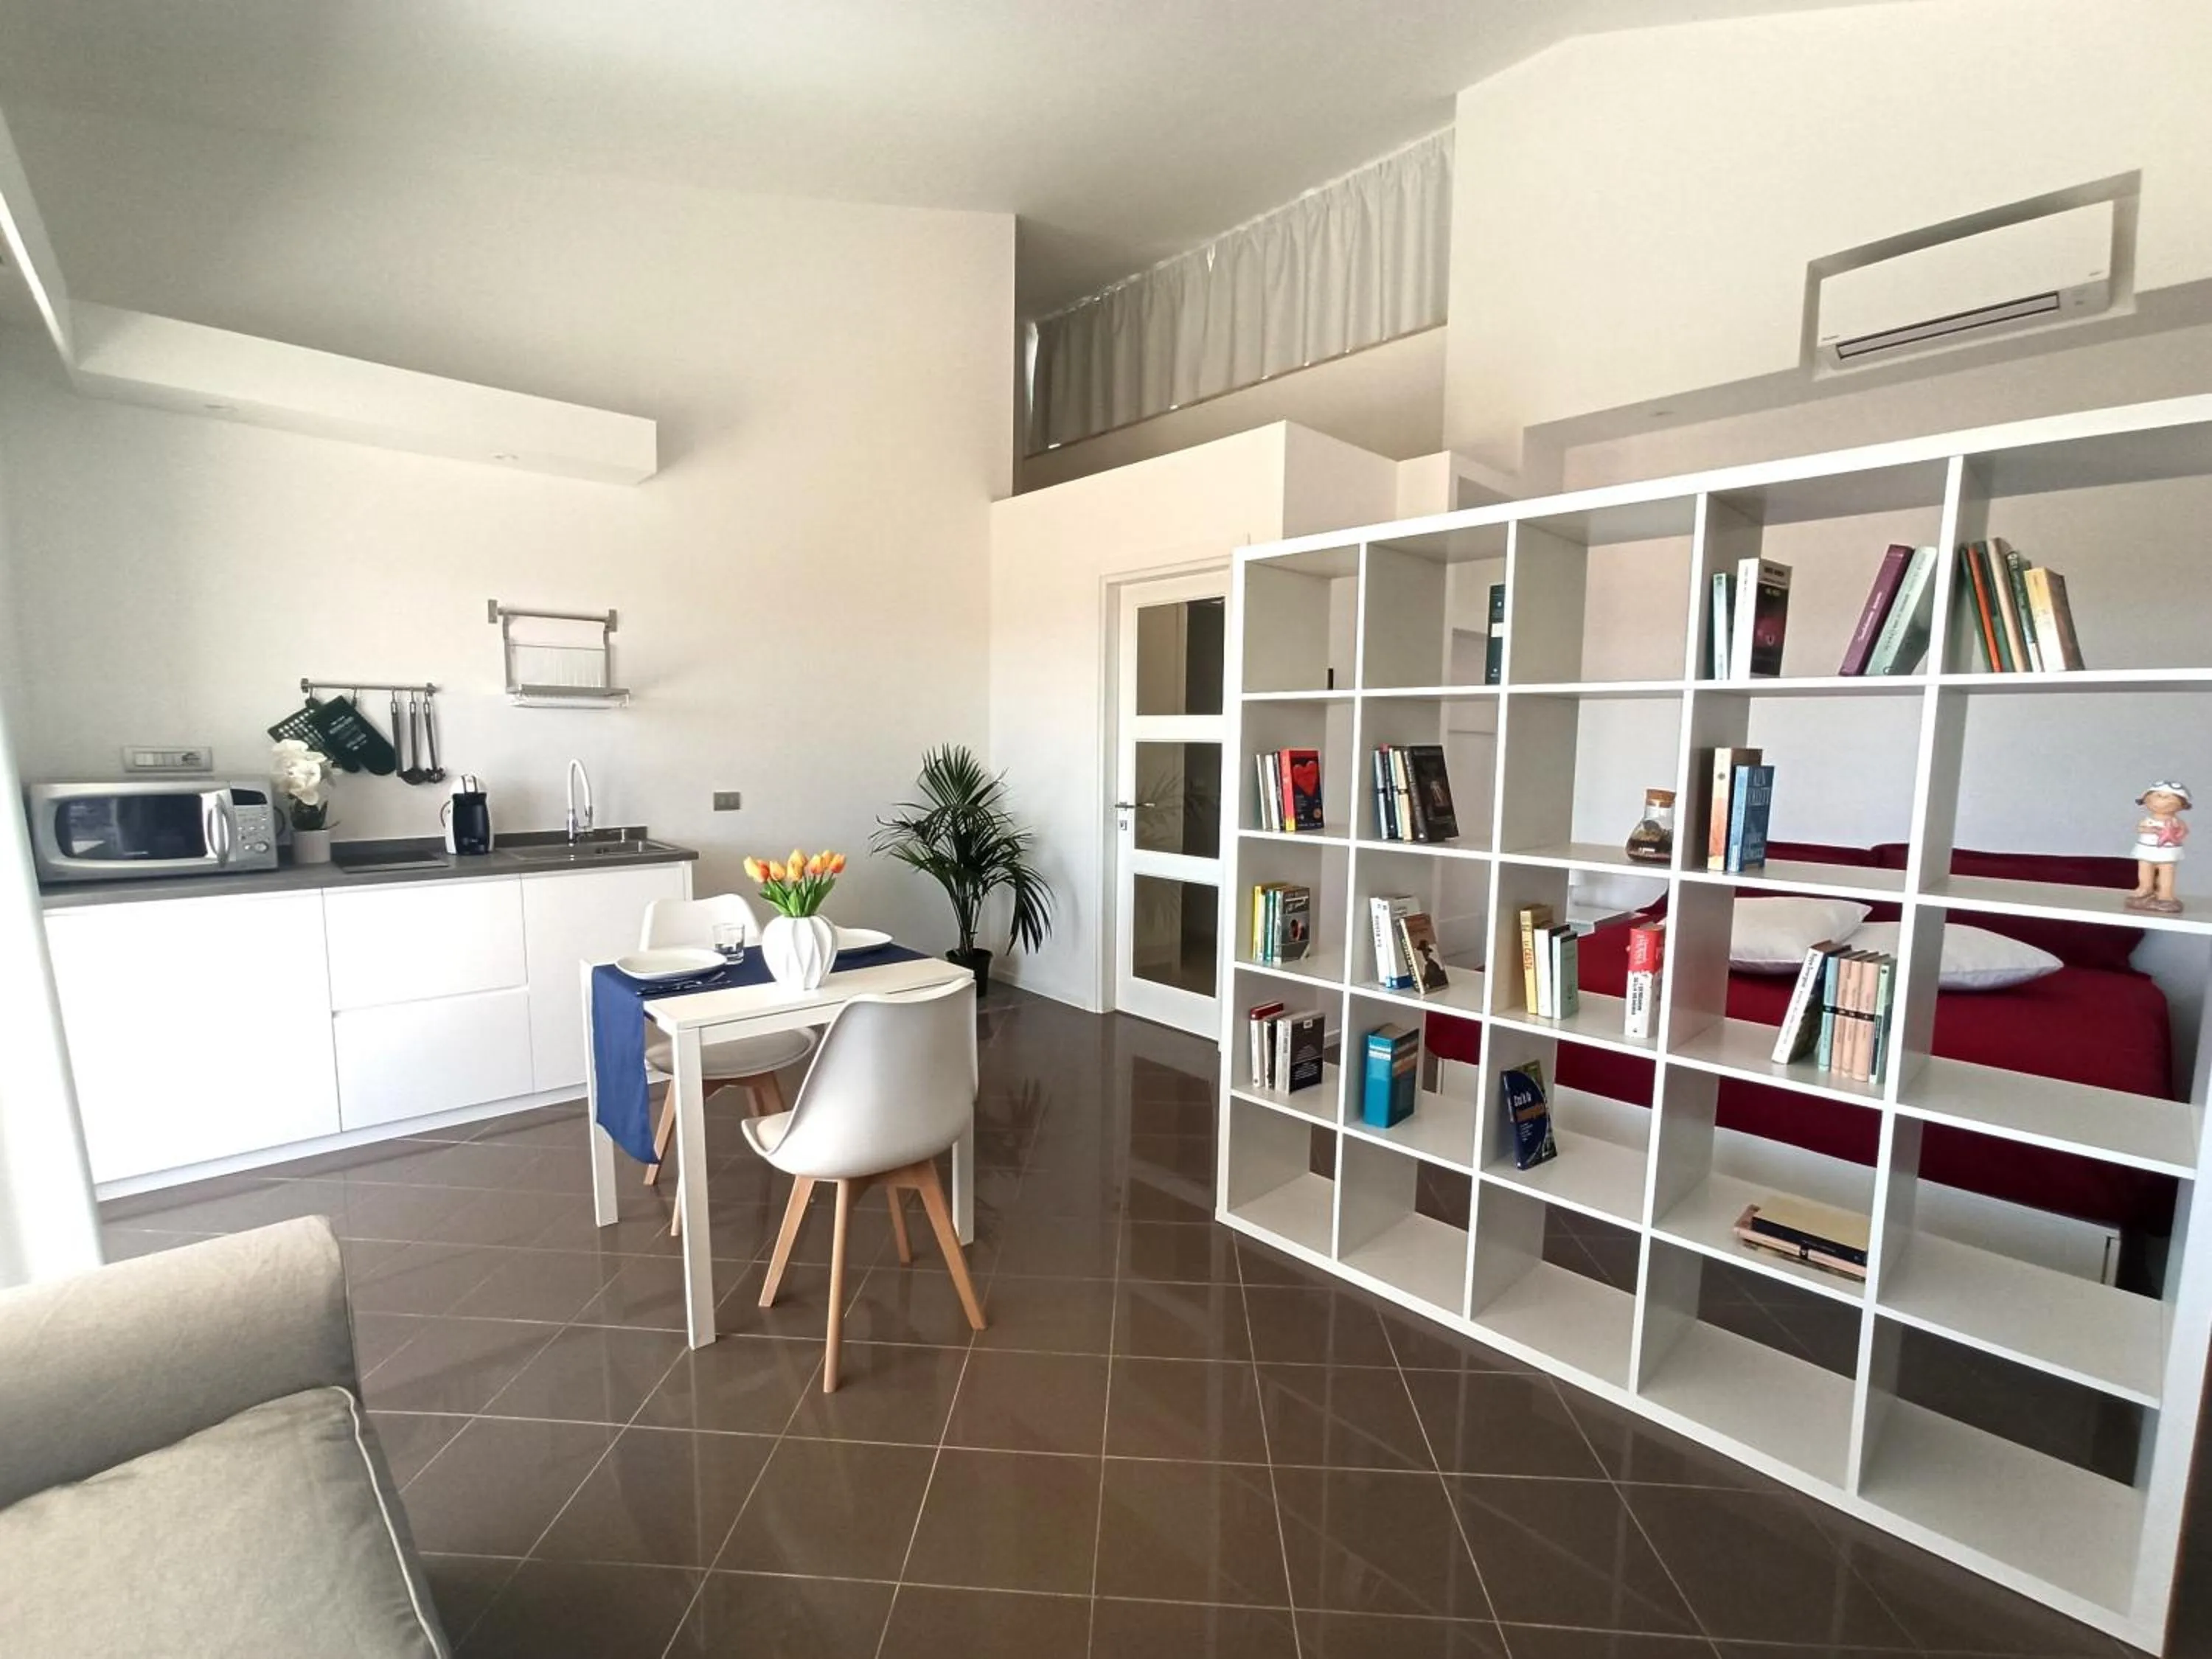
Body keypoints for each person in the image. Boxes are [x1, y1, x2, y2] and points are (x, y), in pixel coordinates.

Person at [2127, 780, 2191, 915]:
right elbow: (2140, 828)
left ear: (2182, 804)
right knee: (2144, 868)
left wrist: (2177, 834)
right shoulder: (2148, 820)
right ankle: (2145, 888)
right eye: (2158, 795)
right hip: (2147, 848)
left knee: (2167, 870)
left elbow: (2184, 831)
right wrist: (2151, 830)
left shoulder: (2175, 821)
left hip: (2167, 851)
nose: (2162, 799)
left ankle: (2166, 893)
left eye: (2168, 796)